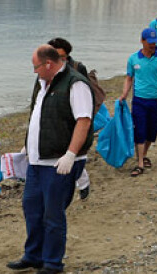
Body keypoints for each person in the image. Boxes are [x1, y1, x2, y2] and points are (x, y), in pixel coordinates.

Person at [10, 44, 93, 274]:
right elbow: (38, 115)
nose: (34, 71)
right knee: (31, 207)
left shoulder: (75, 84)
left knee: (53, 213)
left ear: (48, 64)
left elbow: (84, 121)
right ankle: (33, 255)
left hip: (59, 162)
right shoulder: (42, 83)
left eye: (36, 67)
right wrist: (28, 145)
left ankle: (52, 261)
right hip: (37, 160)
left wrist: (70, 154)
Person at [45, 38, 100, 201]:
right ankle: (77, 184)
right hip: (56, 118)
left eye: (62, 56)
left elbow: (84, 93)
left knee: (72, 153)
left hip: (73, 118)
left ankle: (82, 184)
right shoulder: (46, 71)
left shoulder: (77, 69)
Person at [121, 29, 157, 177]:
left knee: (152, 131)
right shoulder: (133, 59)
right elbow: (129, 78)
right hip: (139, 100)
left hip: (156, 100)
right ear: (142, 41)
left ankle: (143, 156)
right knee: (140, 130)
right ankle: (139, 164)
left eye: (154, 42)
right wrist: (124, 94)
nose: (152, 45)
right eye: (149, 42)